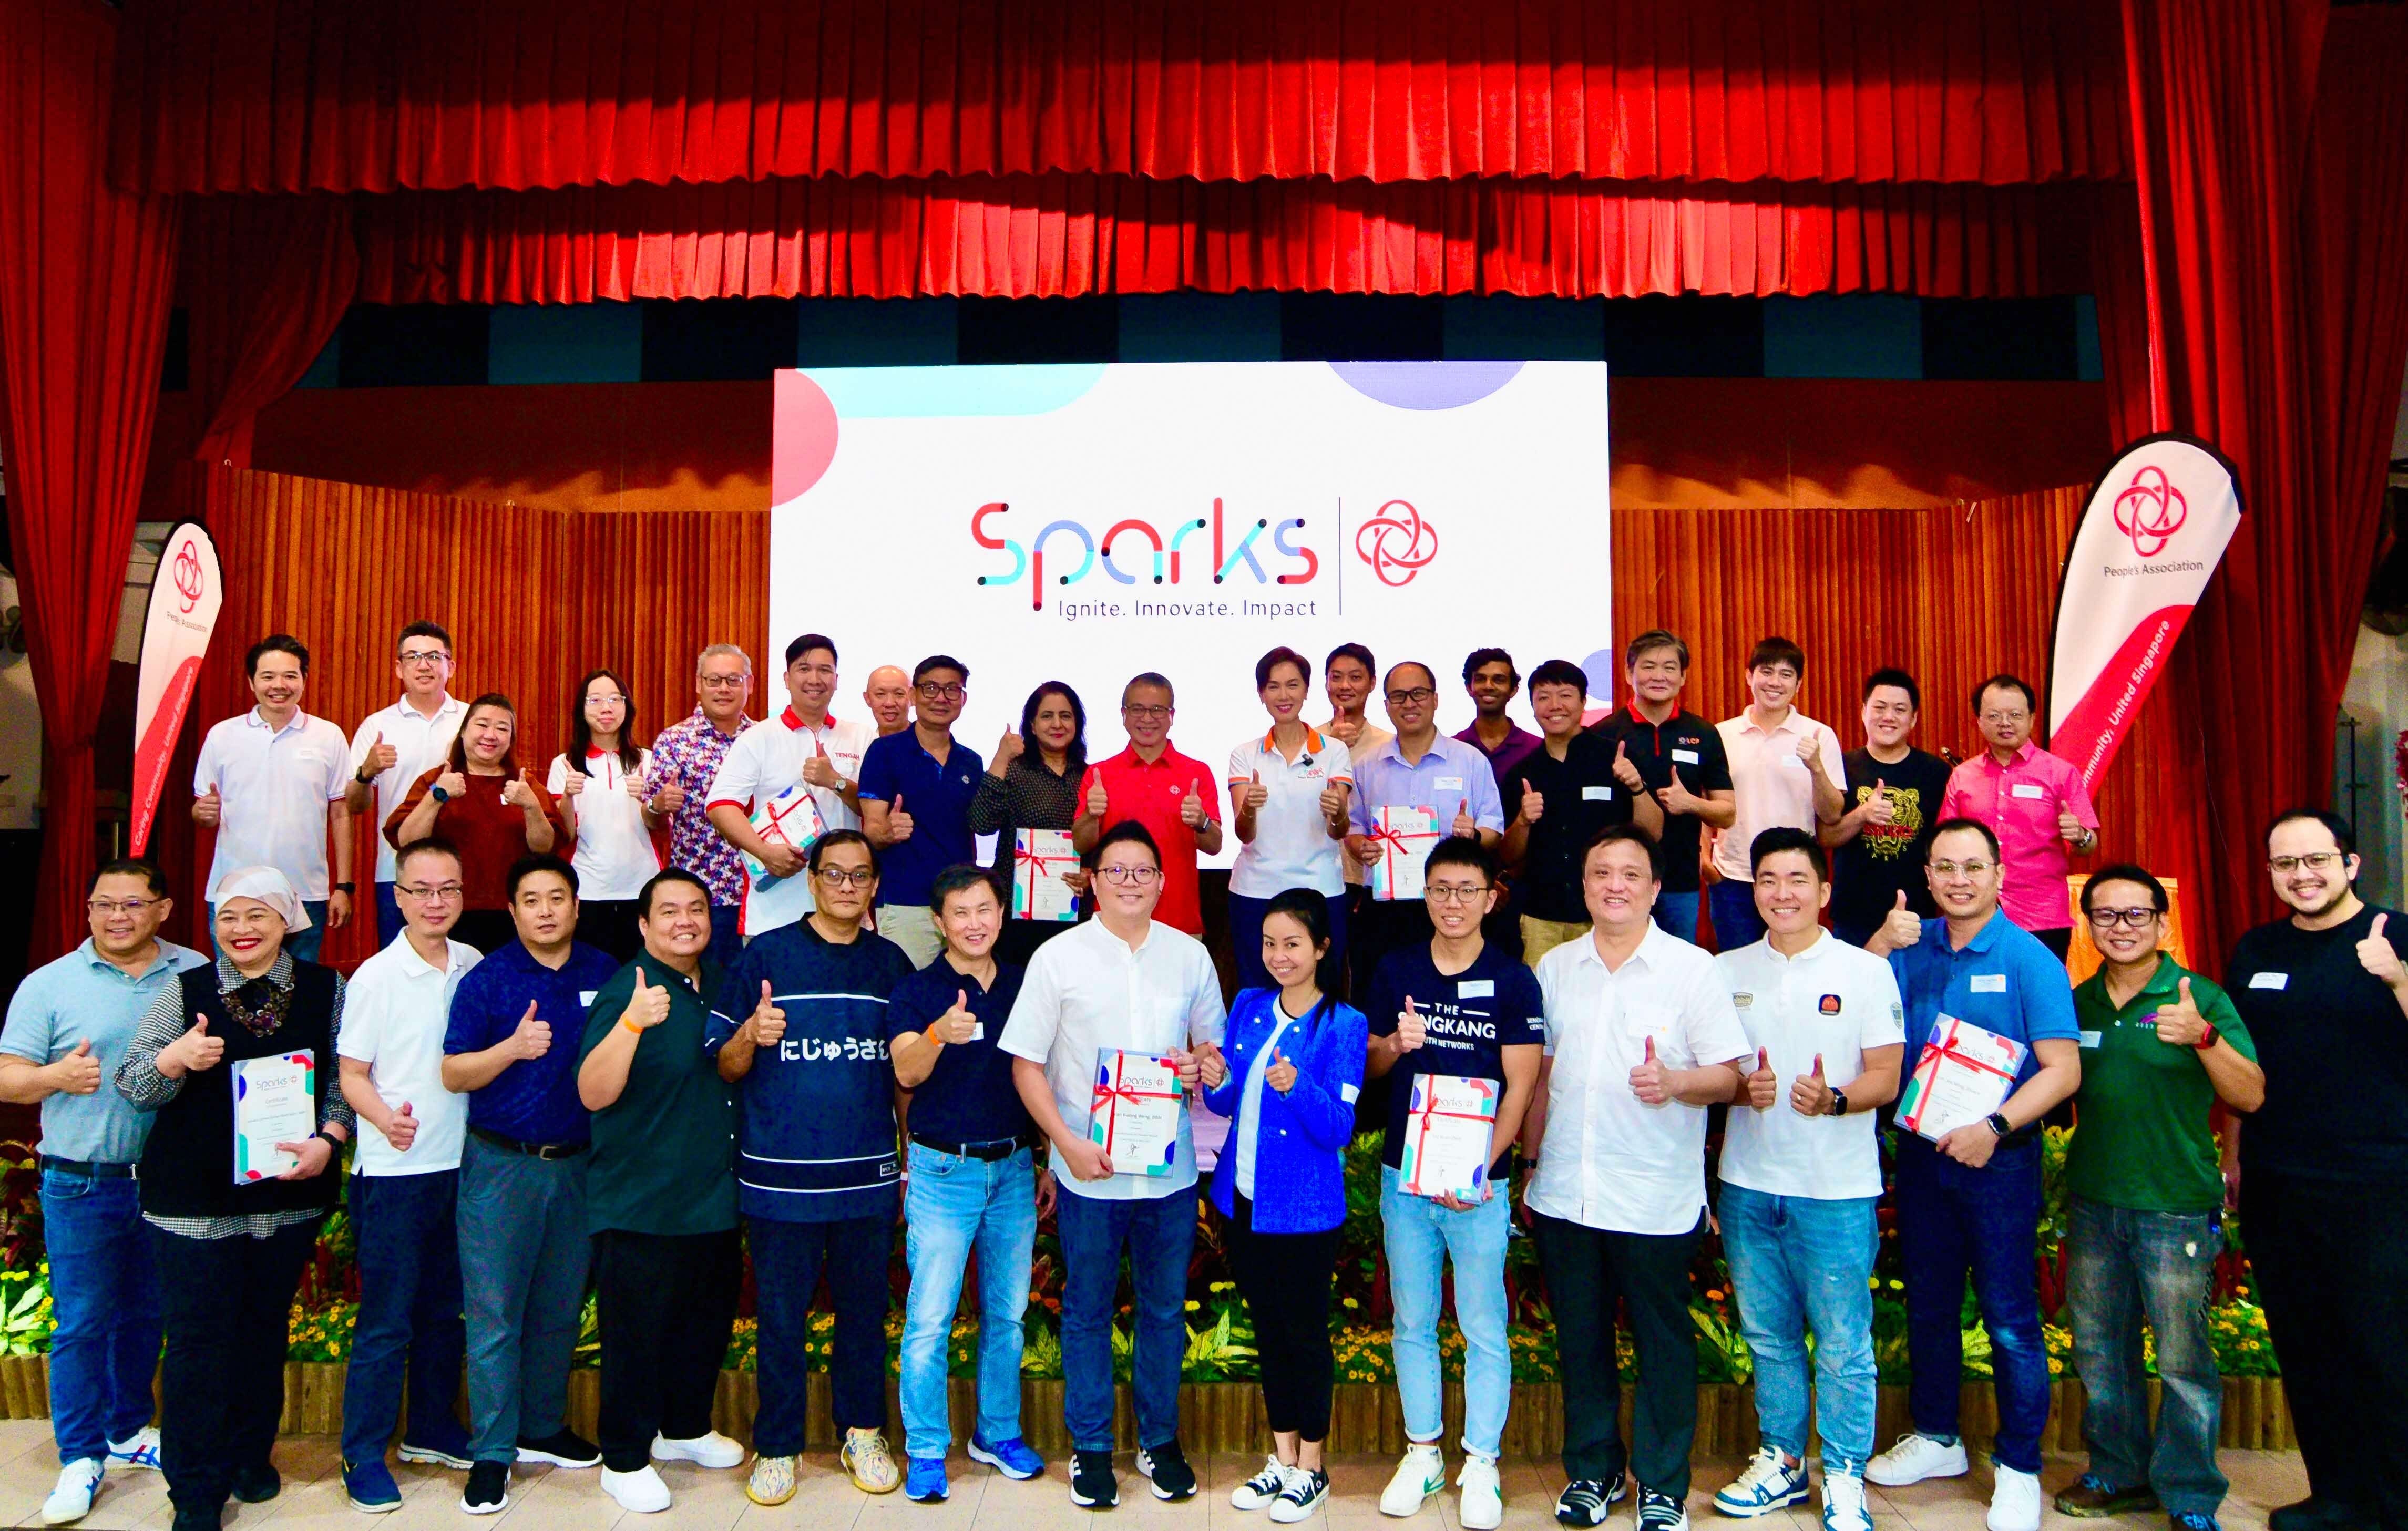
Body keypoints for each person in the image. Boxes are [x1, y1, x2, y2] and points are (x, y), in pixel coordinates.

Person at [114, 867, 355, 1531]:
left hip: (287, 1198)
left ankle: (251, 1459)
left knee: (261, 1335)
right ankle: (194, 1491)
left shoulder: (327, 989)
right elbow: (132, 1083)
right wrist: (175, 1059)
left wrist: (330, 1139)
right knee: (196, 1346)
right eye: (228, 917)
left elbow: (346, 1077)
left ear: (287, 923)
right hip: (194, 1206)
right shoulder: (182, 991)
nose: (241, 930)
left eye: (258, 916)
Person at [1525, 826, 1750, 1531]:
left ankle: (1661, 1483)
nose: (1614, 885)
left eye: (1630, 874)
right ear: (1585, 886)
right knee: (1582, 1338)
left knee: (1661, 1341)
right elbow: (1539, 1081)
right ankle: (1593, 1473)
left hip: (1654, 1194)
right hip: (1565, 1189)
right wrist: (1528, 1169)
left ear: (1656, 888)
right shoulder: (1556, 968)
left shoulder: (1692, 969)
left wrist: (1676, 1080)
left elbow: (1730, 1076)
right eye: (1601, 873)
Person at [1863, 820, 2083, 1531]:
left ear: (1998, 874)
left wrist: (1994, 1129)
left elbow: (2063, 1069)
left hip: (1998, 1161)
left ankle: (2018, 1465)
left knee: (2010, 1319)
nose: (1959, 880)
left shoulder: (2030, 959)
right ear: (1927, 876)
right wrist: (1877, 943)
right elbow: (1847, 1004)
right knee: (1929, 1304)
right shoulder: (1910, 944)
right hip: (1923, 1158)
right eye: (1945, 868)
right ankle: (1938, 1437)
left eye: (1973, 867)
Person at [1000, 823, 1227, 1510]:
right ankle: (1092, 1450)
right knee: (1087, 1312)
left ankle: (1160, 1444)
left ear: (1163, 881)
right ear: (1090, 879)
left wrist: (1203, 1066)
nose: (1130, 881)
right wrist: (1065, 1143)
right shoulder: (1057, 957)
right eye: (1116, 870)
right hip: (1086, 1172)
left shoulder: (1190, 956)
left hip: (1169, 1174)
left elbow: (1214, 1056)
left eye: (1143, 871)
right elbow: (1024, 1064)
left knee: (1162, 1311)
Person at [707, 830, 915, 1505]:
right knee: (780, 1318)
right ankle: (777, 1445)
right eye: (834, 874)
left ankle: (862, 1431)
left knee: (862, 1315)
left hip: (867, 1181)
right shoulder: (763, 956)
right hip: (778, 1179)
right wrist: (750, 1034)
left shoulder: (893, 965)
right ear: (813, 881)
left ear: (875, 885)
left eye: (860, 876)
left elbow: (906, 1078)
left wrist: (909, 1164)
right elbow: (724, 1064)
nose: (848, 887)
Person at [1708, 829, 1905, 1531]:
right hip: (1748, 1185)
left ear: (1824, 891)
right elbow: (1713, 1078)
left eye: (1797, 879)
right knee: (1768, 1336)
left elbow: (1886, 1074)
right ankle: (1784, 1461)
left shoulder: (1863, 970)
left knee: (1844, 1339)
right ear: (1751, 888)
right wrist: (1738, 1089)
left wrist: (1837, 1100)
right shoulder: (1724, 969)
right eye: (1768, 879)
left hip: (1837, 1190)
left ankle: (1846, 1470)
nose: (1781, 893)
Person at [2056, 865, 2261, 1530]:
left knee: (2182, 1358)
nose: (2121, 928)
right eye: (2106, 916)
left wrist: (2202, 1038)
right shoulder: (2078, 1002)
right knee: (2098, 1349)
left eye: (2135, 915)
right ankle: (2117, 1472)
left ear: (2162, 922)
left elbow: (2250, 1094)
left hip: (2175, 1206)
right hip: (2093, 1201)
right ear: (2089, 923)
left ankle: (2190, 1494)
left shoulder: (2198, 996)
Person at [0, 861, 206, 1526]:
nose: (117, 917)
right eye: (103, 905)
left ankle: (125, 1430)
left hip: (171, 1187)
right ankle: (81, 1457)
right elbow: (7, 1079)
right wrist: (55, 1075)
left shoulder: (195, 971)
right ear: (88, 910)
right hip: (81, 1180)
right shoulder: (50, 983)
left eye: (133, 905)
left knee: (148, 1317)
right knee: (84, 1324)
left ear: (164, 909)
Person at [2224, 809, 2408, 1531]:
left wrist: (2396, 981)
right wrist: (2233, 1158)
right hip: (2278, 1180)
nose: (2301, 875)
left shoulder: (2396, 934)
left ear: (2351, 862)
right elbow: (2241, 1067)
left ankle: (2394, 1504)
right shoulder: (2255, 948)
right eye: (2285, 864)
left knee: (2382, 1346)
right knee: (2306, 1343)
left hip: (2378, 1183)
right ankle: (2335, 1493)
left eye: (2316, 860)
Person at [1362, 838, 1542, 1531]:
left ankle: (1483, 1460)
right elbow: (1372, 1068)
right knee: (1412, 1321)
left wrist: (1480, 1169)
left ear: (1490, 897)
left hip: (1479, 1185)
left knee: (1482, 1325)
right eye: (1441, 888)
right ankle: (1423, 1450)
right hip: (1404, 1178)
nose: (1453, 902)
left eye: (1467, 889)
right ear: (1424, 893)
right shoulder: (1396, 968)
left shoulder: (1512, 979)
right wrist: (1393, 1047)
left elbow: (1522, 1083)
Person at [440, 853, 617, 1515]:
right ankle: (492, 1454)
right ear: (512, 910)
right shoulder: (487, 981)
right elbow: (454, 1073)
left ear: (577, 906)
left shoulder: (605, 972)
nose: (546, 911)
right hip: (501, 1167)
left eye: (558, 898)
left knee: (558, 1309)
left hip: (578, 1165)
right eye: (532, 900)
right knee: (495, 1316)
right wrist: (510, 1050)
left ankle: (542, 1426)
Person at [574, 869, 745, 1514]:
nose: (685, 921)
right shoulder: (630, 988)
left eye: (696, 909)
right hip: (641, 1201)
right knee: (637, 1334)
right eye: (668, 911)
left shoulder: (719, 982)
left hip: (712, 1195)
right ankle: (623, 1457)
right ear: (643, 925)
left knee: (703, 1324)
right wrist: (632, 1026)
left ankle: (685, 1427)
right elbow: (593, 1093)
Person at [887, 866, 1050, 1502]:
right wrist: (937, 1034)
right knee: (929, 1319)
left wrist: (1045, 1160)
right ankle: (927, 1447)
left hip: (1012, 1168)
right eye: (960, 913)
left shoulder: (1024, 985)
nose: (975, 923)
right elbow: (904, 1071)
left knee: (1007, 1315)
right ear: (938, 922)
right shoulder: (918, 989)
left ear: (1001, 914)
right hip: (942, 1171)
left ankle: (997, 1432)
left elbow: (1041, 1074)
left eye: (984, 910)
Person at [1206, 889, 1367, 1526]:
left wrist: (1298, 1087)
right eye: (1270, 943)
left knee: (1304, 1335)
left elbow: (1339, 1128)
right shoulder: (1247, 1005)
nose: (1279, 956)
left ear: (1322, 948)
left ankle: (1312, 1467)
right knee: (1268, 1331)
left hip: (1304, 1211)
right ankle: (1280, 1458)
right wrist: (1213, 1077)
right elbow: (1226, 1103)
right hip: (1241, 1199)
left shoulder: (1343, 1025)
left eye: (1293, 944)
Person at [335, 838, 480, 1511]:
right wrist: (385, 1118)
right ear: (397, 898)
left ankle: (430, 1427)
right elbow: (351, 1076)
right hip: (395, 1173)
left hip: (464, 1166)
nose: (435, 902)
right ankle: (361, 1452)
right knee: (387, 1322)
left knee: (444, 1312)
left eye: (447, 889)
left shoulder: (474, 964)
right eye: (420, 890)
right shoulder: (374, 977)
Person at [1345, 661, 1504, 1004]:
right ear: (1386, 705)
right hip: (1385, 908)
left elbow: (1494, 828)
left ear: (1435, 699)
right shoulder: (1366, 766)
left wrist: (1474, 835)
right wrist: (1362, 847)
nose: (1409, 703)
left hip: (1451, 904)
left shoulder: (1470, 761)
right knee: (1378, 999)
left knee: (1444, 1000)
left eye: (1418, 693)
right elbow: (1353, 829)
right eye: (1398, 696)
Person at [192, 634, 355, 961]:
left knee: (297, 995)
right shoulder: (223, 736)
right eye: (268, 676)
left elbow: (342, 814)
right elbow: (203, 814)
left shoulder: (328, 735)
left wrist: (344, 887)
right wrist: (204, 812)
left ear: (304, 680)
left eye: (290, 676)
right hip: (234, 892)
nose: (279, 685)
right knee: (235, 994)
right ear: (251, 682)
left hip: (305, 892)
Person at [705, 633, 872, 942]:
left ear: (837, 679)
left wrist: (836, 781)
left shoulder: (862, 737)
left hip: (848, 913)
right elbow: (720, 806)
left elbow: (874, 811)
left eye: (825, 670)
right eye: (804, 669)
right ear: (787, 677)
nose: (815, 679)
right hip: (774, 913)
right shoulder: (759, 737)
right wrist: (764, 852)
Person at [1503, 659, 1662, 967]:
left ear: (1584, 701)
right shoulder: (1521, 772)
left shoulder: (1616, 757)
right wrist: (1523, 822)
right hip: (1541, 917)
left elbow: (1653, 833)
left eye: (1565, 695)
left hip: (1606, 914)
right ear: (1533, 706)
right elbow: (1509, 857)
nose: (1555, 705)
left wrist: (1636, 786)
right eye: (1543, 697)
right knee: (1544, 1005)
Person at [384, 693, 565, 954]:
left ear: (511, 739)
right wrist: (438, 795)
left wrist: (531, 805)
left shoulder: (526, 785)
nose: (491, 735)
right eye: (482, 725)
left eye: (502, 728)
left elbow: (544, 848)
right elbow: (407, 842)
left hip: (513, 913)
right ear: (463, 732)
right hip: (445, 911)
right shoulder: (436, 780)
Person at [1936, 674, 2099, 958]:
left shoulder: (2060, 774)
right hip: (1974, 913)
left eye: (2015, 715)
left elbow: (2089, 845)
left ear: (2032, 718)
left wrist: (2081, 836)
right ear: (1979, 720)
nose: (2005, 723)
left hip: (2042, 917)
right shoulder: (1962, 777)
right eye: (1994, 715)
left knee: (2039, 998)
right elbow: (1945, 844)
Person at [1587, 631, 1734, 944]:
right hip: (1617, 883)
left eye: (1669, 668)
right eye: (1649, 666)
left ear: (1682, 677)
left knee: (1677, 975)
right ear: (1629, 673)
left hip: (1679, 882)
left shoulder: (1703, 733)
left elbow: (1727, 813)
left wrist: (1691, 803)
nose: (1659, 676)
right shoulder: (1603, 735)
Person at [1227, 646, 1355, 991]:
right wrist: (1249, 809)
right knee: (1257, 991)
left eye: (1292, 685)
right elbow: (1244, 833)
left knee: (1322, 990)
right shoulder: (1244, 754)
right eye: (1273, 687)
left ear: (1306, 690)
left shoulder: (1334, 751)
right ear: (1260, 693)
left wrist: (1339, 812)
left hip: (1320, 890)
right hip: (1256, 891)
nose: (1283, 696)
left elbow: (1339, 830)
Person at [1708, 638, 1844, 952]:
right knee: (1737, 975)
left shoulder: (1819, 735)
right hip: (1734, 877)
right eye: (1767, 672)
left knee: (1795, 965)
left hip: (1795, 877)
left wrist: (1816, 769)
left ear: (1798, 683)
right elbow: (1707, 803)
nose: (1775, 682)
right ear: (1749, 676)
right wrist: (1706, 861)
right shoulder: (1721, 734)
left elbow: (1833, 813)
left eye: (1786, 675)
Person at [1073, 672, 1224, 939]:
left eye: (1157, 710)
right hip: (1112, 925)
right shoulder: (1100, 774)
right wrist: (1090, 815)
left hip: (1180, 924)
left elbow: (1214, 846)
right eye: (1137, 709)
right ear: (1124, 715)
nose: (1147, 718)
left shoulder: (1197, 772)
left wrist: (1202, 822)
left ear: (1171, 716)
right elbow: (1081, 844)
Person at [860, 655, 985, 966]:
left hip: (961, 903)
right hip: (906, 903)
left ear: (963, 699)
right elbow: (871, 831)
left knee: (961, 999)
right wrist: (887, 831)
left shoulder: (971, 761)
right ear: (914, 696)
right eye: (930, 688)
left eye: (951, 690)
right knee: (908, 999)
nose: (941, 698)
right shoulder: (885, 752)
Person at [347, 621, 467, 945]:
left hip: (462, 871)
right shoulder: (378, 725)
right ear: (399, 668)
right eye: (413, 657)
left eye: (434, 656)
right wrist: (366, 772)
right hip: (397, 872)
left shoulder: (472, 722)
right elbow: (355, 805)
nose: (424, 665)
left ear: (451, 666)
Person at [1821, 669, 1950, 948]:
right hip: (1854, 914)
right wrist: (1861, 815)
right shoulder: (1841, 767)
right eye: (1880, 708)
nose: (1888, 717)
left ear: (1914, 718)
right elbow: (1825, 837)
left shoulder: (1938, 774)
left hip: (1918, 915)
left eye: (1899, 709)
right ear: (1864, 711)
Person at [970, 681, 1092, 967]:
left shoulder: (1092, 776)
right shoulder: (1014, 770)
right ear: (1033, 726)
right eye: (1047, 716)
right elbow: (981, 823)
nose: (1057, 724)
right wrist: (1001, 757)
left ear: (1077, 723)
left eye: (1066, 715)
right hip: (1019, 915)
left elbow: (1103, 841)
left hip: (1076, 912)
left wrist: (1092, 873)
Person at [648, 644, 759, 953]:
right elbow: (650, 818)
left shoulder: (763, 738)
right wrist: (658, 805)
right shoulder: (674, 741)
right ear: (699, 685)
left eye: (733, 680)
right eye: (714, 680)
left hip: (759, 891)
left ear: (749, 684)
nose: (724, 689)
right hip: (699, 896)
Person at [546, 669, 662, 962]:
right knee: (593, 981)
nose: (606, 708)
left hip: (644, 887)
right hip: (588, 890)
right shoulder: (565, 764)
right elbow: (564, 836)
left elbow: (661, 827)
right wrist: (569, 797)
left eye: (615, 699)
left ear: (627, 706)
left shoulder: (648, 761)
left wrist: (647, 800)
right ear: (581, 710)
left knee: (642, 977)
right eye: (595, 700)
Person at [1327, 643, 1396, 977]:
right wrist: (1332, 750)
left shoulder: (1390, 743)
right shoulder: (1308, 740)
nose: (1345, 686)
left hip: (1369, 880)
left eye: (1355, 677)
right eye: (1336, 677)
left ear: (1371, 683)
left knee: (1367, 974)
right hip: (1320, 877)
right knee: (1323, 977)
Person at [1454, 648, 1542, 788]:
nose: (1489, 686)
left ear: (1513, 690)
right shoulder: (1453, 749)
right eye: (1480, 679)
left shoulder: (1537, 748)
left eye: (1499, 680)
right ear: (1469, 688)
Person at [863, 665, 913, 736]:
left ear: (913, 697)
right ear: (867, 699)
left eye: (899, 694)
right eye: (881, 694)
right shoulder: (863, 745)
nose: (890, 703)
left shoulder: (929, 744)